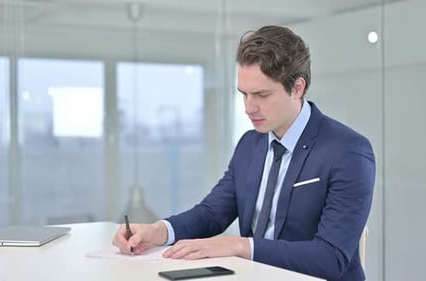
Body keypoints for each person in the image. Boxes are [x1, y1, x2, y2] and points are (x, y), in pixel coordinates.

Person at [112, 25, 375, 281]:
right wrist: (158, 231)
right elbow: (212, 213)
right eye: (244, 94)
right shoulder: (251, 144)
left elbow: (330, 258)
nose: (249, 108)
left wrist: (239, 246)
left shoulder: (348, 151)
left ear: (297, 87)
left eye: (261, 95)